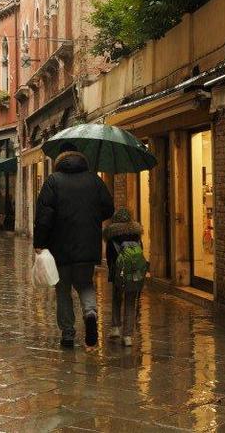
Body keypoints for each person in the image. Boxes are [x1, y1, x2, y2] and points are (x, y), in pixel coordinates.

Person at [33, 142, 114, 348]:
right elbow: (108, 208)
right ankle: (90, 313)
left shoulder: (53, 181)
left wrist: (39, 243)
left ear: (60, 159)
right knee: (85, 284)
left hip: (59, 248)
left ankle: (68, 334)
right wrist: (92, 217)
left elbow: (44, 216)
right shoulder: (94, 180)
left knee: (63, 290)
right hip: (87, 246)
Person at [103, 207, 145, 347]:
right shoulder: (136, 234)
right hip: (133, 273)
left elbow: (109, 257)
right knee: (130, 301)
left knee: (116, 297)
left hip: (118, 273)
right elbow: (141, 253)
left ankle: (115, 328)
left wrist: (112, 272)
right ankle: (127, 336)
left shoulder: (112, 235)